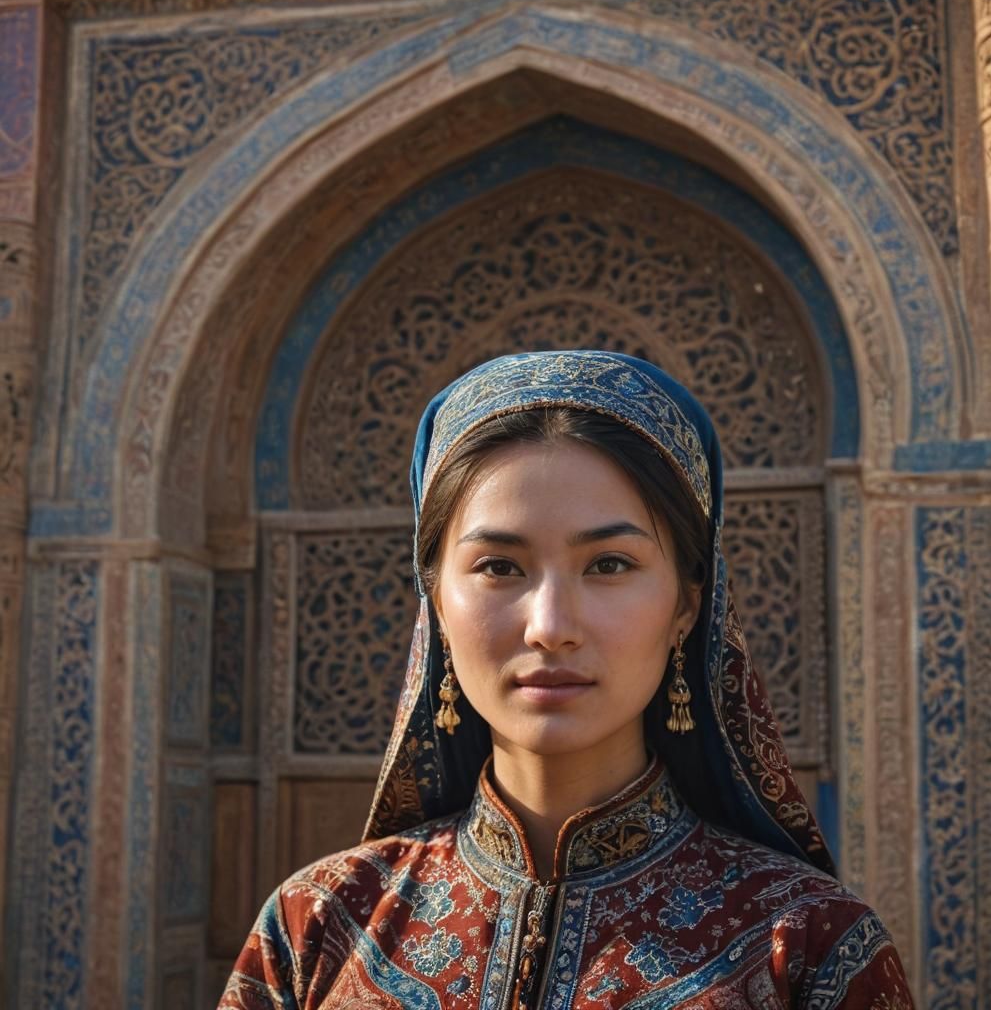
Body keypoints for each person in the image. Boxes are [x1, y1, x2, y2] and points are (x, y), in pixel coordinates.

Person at [219, 350, 913, 1009]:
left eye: (609, 565)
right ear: (435, 604)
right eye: (499, 567)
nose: (549, 627)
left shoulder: (810, 947)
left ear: (686, 605)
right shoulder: (316, 926)